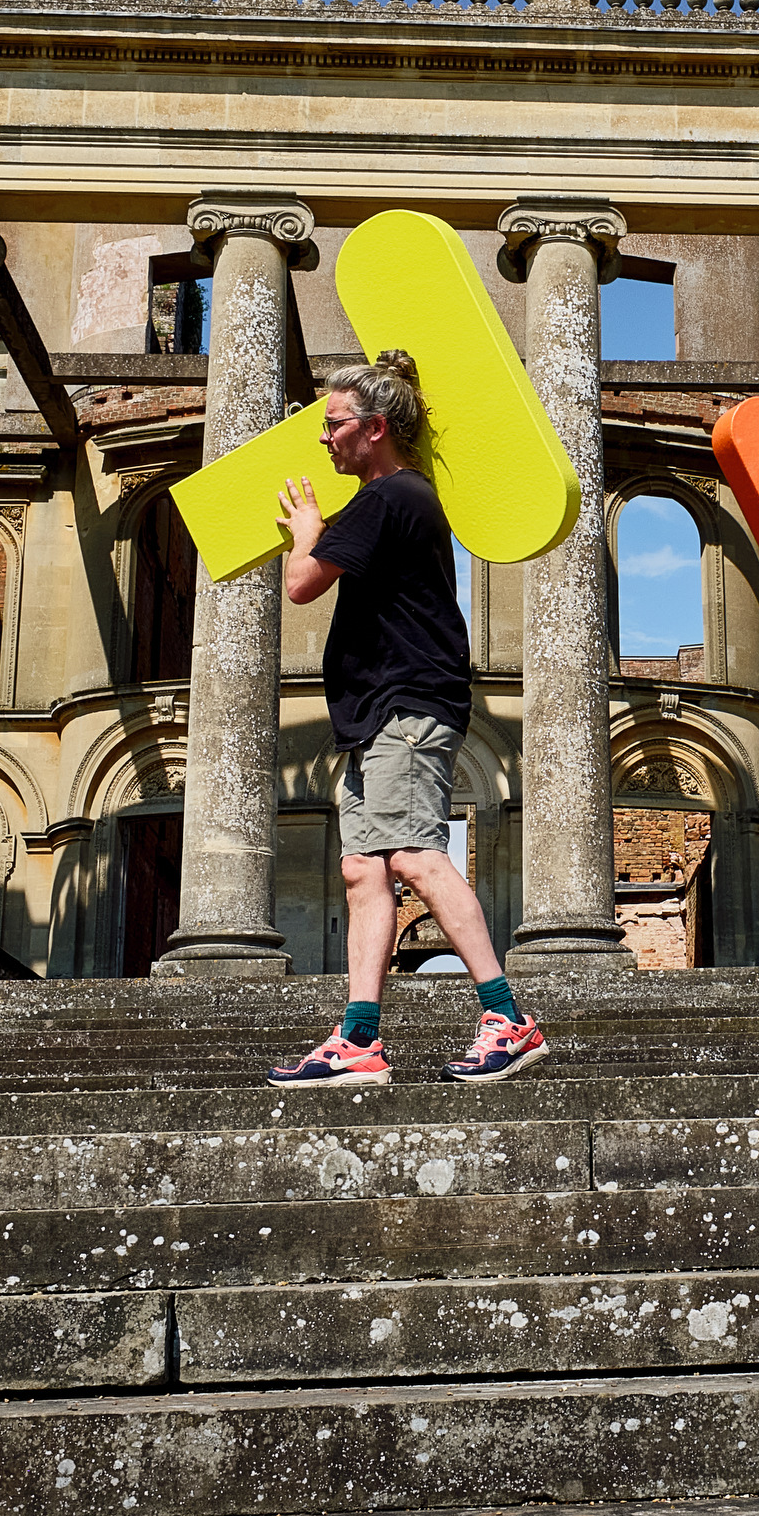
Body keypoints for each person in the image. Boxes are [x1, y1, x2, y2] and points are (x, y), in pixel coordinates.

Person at [266, 350, 550, 1088]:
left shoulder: (388, 499)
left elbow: (301, 584)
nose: (323, 438)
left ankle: (508, 1018)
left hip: (406, 704)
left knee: (416, 858)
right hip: (378, 714)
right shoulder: (397, 499)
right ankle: (359, 1040)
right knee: (364, 868)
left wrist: (305, 529)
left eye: (332, 425)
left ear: (375, 428)